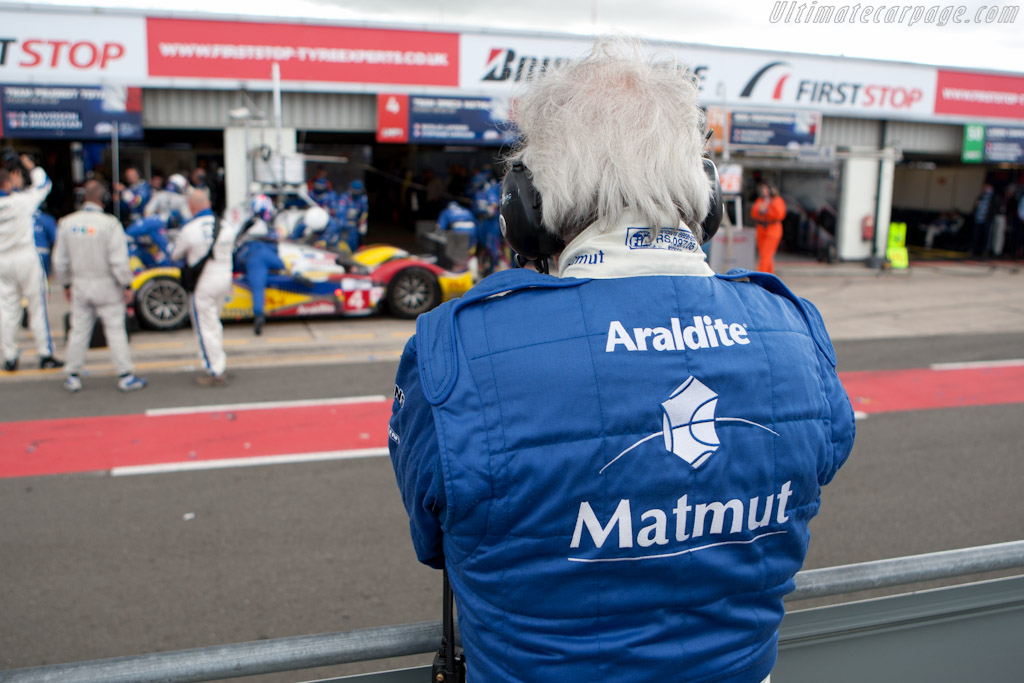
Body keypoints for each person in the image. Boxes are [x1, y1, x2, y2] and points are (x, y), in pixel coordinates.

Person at [388, 38, 855, 683]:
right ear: (707, 197)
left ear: (525, 208)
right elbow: (815, 470)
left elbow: (433, 541)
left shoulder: (456, 348)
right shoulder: (797, 332)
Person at [54, 180, 147, 393]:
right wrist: (127, 285)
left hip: (80, 283)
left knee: (78, 330)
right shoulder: (110, 224)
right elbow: (118, 261)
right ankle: (125, 375)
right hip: (106, 284)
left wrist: (66, 283)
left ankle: (72, 375)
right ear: (103, 199)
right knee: (115, 330)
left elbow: (59, 261)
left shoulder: (67, 223)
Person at [0, 153, 63, 371]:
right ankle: (45, 354)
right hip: (25, 257)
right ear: (11, 179)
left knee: (7, 310)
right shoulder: (21, 201)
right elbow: (44, 184)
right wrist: (31, 166)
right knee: (37, 307)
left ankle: (9, 357)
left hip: (2, 262)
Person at [171, 189, 236, 386]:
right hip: (224, 280)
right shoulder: (226, 226)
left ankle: (215, 369)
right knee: (214, 323)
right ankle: (219, 361)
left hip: (203, 283)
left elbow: (175, 255)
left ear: (192, 207)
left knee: (204, 327)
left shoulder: (190, 229)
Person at [235, 195, 285, 335]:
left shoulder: (247, 223)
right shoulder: (262, 225)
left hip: (251, 258)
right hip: (262, 256)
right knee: (286, 268)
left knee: (258, 284)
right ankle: (259, 313)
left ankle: (259, 313)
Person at [751, 181, 786, 274]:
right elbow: (754, 212)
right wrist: (761, 210)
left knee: (766, 255)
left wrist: (766, 210)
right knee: (765, 255)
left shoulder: (777, 200)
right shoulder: (760, 200)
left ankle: (761, 275)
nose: (763, 191)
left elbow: (779, 214)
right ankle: (769, 275)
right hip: (761, 228)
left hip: (773, 229)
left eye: (765, 189)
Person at [436, 199, 478, 277]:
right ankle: (474, 276)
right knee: (470, 254)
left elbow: (440, 228)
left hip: (459, 231)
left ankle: (458, 277)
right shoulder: (466, 210)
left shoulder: (446, 211)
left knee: (457, 255)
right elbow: (476, 223)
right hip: (473, 231)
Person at [336, 180, 369, 252]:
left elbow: (364, 213)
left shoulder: (363, 198)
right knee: (343, 247)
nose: (356, 193)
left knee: (354, 246)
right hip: (344, 227)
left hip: (354, 227)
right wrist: (342, 226)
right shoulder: (345, 197)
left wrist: (363, 224)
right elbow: (341, 212)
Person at [971, 182, 995, 258]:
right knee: (975, 235)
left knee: (986, 236)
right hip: (978, 217)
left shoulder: (993, 196)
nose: (985, 187)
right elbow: (976, 204)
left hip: (987, 218)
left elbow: (994, 207)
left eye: (986, 186)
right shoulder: (982, 195)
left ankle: (985, 251)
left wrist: (990, 216)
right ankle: (973, 250)